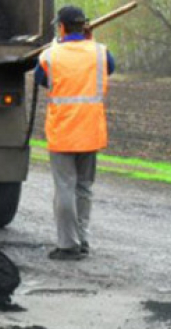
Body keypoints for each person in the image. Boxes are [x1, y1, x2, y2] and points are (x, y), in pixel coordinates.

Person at [36, 5, 115, 260]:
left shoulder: (50, 55)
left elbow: (41, 79)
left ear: (61, 27)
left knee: (65, 189)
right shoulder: (101, 52)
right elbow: (108, 69)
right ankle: (82, 240)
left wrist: (57, 46)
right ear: (85, 26)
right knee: (84, 189)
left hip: (63, 133)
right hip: (91, 132)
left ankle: (68, 244)